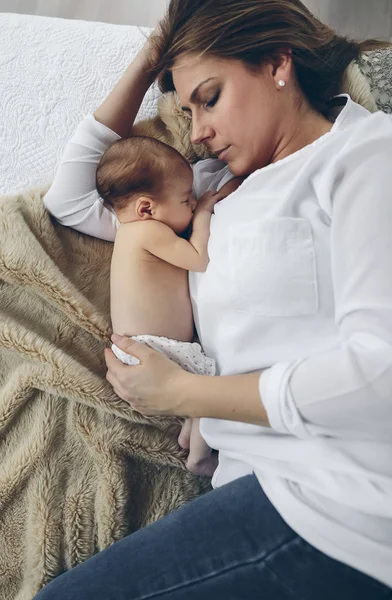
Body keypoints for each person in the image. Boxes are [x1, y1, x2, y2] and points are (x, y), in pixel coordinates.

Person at [36, 0, 392, 597]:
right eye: (185, 109)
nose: (196, 131)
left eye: (211, 97)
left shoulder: (365, 157)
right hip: (250, 488)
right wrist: (155, 56)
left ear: (278, 63)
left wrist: (188, 393)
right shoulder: (202, 192)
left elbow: (379, 373)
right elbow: (71, 198)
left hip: (338, 506)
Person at [97, 135, 244, 476]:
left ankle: (191, 439)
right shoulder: (147, 232)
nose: (193, 203)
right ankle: (199, 458)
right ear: (146, 208)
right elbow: (198, 258)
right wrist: (206, 213)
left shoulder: (131, 232)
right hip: (155, 350)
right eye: (186, 199)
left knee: (199, 403)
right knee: (210, 392)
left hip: (148, 349)